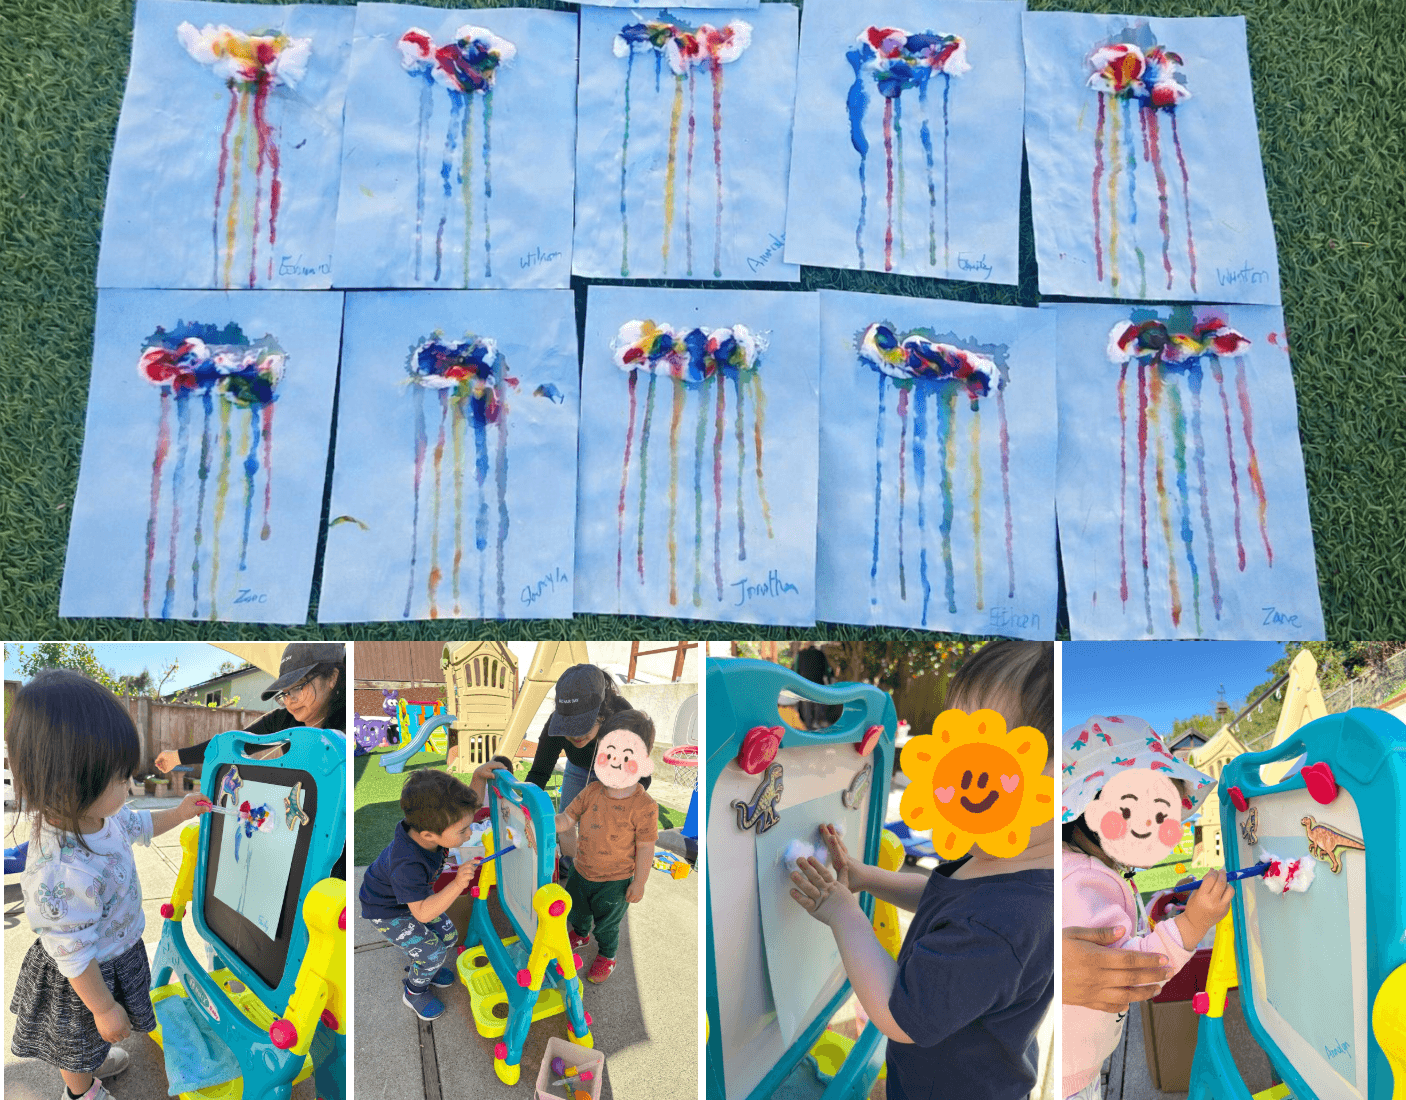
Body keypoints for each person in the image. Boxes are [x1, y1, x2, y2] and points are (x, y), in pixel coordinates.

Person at [788, 641, 1055, 1100]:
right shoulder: (1001, 860)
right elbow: (942, 894)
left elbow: (898, 1016)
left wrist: (842, 912)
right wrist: (864, 876)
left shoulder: (1005, 923)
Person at [7, 670, 213, 1100]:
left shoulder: (100, 813)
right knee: (77, 1041)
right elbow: (74, 952)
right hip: (83, 975)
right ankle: (81, 1090)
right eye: (120, 779)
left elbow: (137, 824)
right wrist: (102, 1007)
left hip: (114, 951)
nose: (130, 786)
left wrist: (178, 813)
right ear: (66, 784)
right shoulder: (61, 871)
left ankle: (95, 1057)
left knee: (96, 1037)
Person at [1060, 716, 1235, 1100]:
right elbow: (1129, 972)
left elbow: (1118, 934)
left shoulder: (1083, 869)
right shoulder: (1080, 881)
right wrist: (1194, 923)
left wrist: (1165, 906)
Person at [358, 762, 505, 1021]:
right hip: (388, 911)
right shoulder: (407, 864)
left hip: (414, 899)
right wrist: (457, 884)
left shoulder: (430, 829)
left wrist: (478, 777)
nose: (470, 832)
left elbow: (468, 809)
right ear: (429, 835)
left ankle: (425, 965)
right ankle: (414, 991)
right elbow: (424, 914)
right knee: (434, 952)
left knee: (447, 937)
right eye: (462, 831)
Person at [553, 709, 659, 983]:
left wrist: (640, 882)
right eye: (608, 754)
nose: (614, 763)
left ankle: (608, 954)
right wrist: (543, 821)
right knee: (576, 909)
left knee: (608, 925)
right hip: (581, 870)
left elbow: (646, 847)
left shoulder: (644, 807)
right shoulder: (591, 791)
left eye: (625, 757)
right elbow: (567, 818)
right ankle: (580, 933)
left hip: (615, 881)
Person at [153, 643, 346, 777]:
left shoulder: (351, 720)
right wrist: (177, 757)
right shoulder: (282, 721)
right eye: (284, 692)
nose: (290, 701)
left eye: (298, 687)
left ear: (332, 678)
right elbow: (234, 743)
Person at [523, 664, 643, 810]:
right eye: (568, 726)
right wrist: (525, 806)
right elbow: (539, 773)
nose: (575, 735)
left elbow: (642, 776)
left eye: (582, 725)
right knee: (567, 819)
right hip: (577, 767)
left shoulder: (623, 719)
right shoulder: (556, 723)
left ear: (602, 715)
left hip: (616, 772)